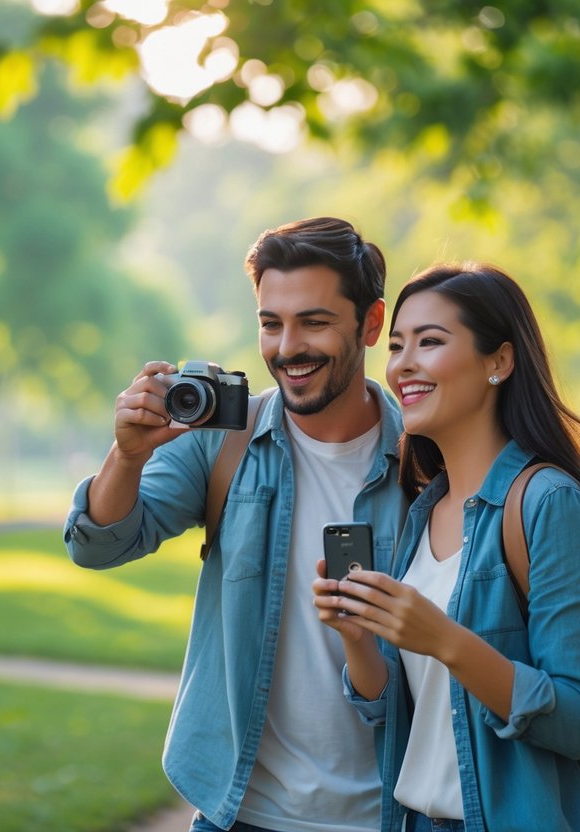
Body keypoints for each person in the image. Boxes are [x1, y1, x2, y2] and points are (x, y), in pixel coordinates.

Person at [64, 217, 411, 832]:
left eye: (314, 322)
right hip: (240, 815)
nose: (287, 348)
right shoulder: (224, 441)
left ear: (372, 323)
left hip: (390, 814)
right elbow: (100, 545)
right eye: (270, 323)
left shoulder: (427, 460)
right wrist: (127, 454)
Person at [314, 262, 580, 832]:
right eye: (398, 345)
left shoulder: (549, 504)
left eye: (430, 342)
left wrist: (445, 640)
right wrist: (357, 639)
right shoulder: (425, 511)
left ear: (499, 361)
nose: (404, 363)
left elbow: (578, 719)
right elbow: (396, 710)